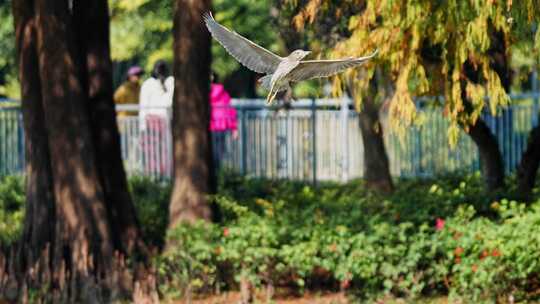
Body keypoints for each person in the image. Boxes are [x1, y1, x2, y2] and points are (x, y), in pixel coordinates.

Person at [139, 60, 174, 177]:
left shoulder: (148, 84)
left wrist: (142, 125)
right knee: (165, 149)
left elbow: (143, 104)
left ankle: (154, 174)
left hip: (151, 120)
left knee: (152, 150)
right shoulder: (171, 83)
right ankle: (164, 174)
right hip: (165, 119)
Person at [210, 73, 238, 171]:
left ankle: (213, 171)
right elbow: (230, 111)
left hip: (210, 126)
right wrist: (234, 128)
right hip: (222, 126)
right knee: (219, 152)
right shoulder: (223, 92)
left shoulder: (204, 92)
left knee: (210, 152)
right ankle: (217, 172)